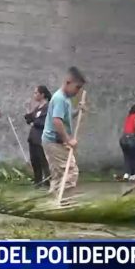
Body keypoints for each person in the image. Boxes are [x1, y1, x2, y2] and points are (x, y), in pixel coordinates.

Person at [42, 67, 87, 197]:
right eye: (77, 87)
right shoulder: (60, 98)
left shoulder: (65, 98)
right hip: (54, 142)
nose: (78, 91)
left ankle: (54, 202)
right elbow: (57, 121)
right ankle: (63, 201)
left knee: (58, 175)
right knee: (71, 172)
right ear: (68, 82)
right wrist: (68, 140)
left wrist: (77, 110)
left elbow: (64, 118)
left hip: (53, 141)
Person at [24, 85, 51, 188]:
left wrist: (34, 122)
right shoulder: (37, 107)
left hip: (41, 138)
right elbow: (30, 119)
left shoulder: (47, 107)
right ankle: (37, 181)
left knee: (43, 160)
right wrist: (28, 111)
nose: (34, 95)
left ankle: (48, 181)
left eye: (36, 93)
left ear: (42, 94)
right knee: (34, 161)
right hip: (33, 138)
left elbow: (43, 122)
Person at [119, 105, 135, 181]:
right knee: (134, 157)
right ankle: (133, 174)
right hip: (130, 138)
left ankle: (126, 174)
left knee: (127, 157)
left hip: (123, 139)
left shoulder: (128, 117)